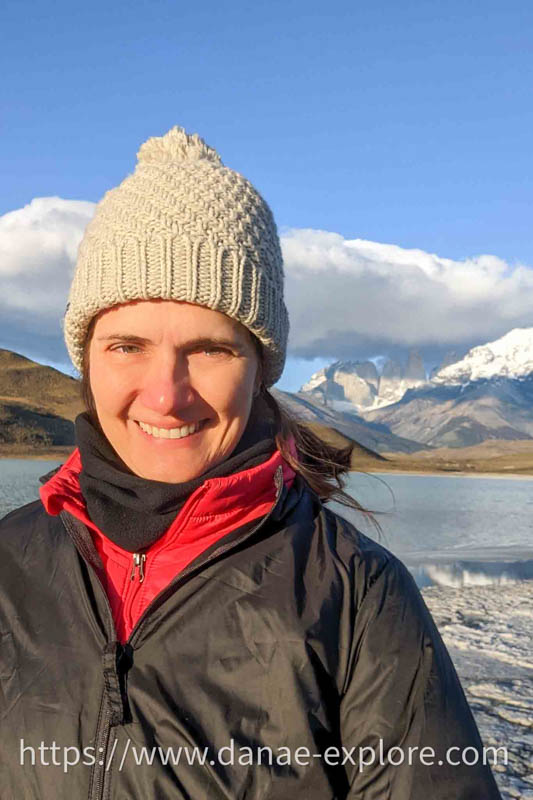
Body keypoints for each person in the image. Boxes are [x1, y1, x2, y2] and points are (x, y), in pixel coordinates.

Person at [0, 126, 501, 799]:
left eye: (210, 349)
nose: (165, 396)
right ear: (86, 358)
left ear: (259, 369)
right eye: (126, 346)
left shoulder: (356, 596)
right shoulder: (9, 562)